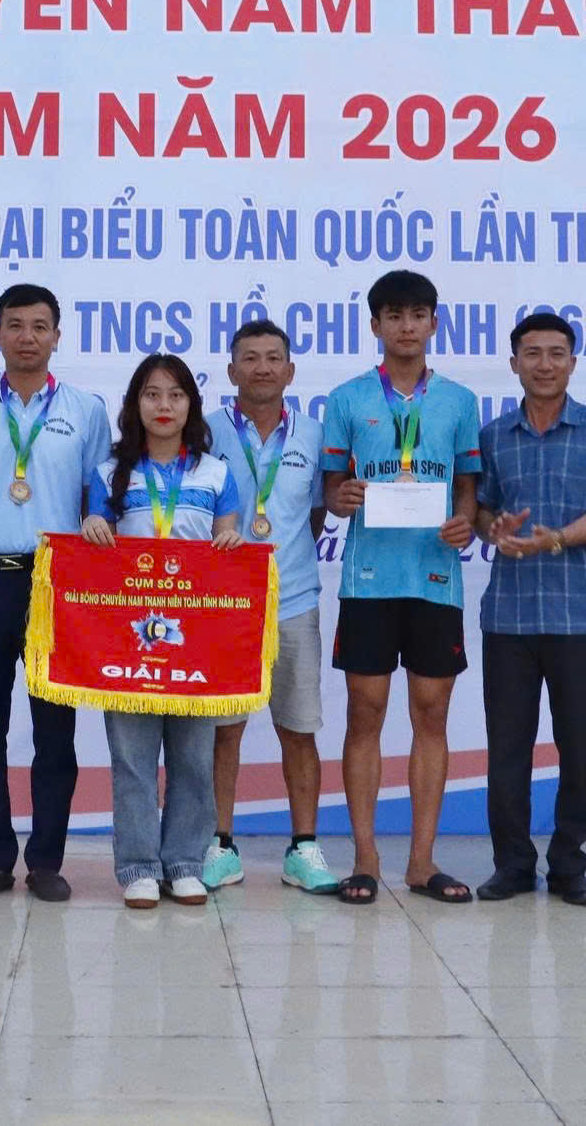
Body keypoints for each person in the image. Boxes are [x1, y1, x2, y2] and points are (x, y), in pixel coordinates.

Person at [0, 283, 110, 901]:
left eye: (39, 326)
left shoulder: (86, 410)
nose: (27, 337)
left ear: (57, 336)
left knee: (54, 732)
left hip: (56, 585)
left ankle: (47, 861)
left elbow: (97, 501)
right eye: (15, 325)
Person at [322, 268, 482, 907]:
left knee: (431, 712)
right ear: (375, 325)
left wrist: (465, 521)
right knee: (365, 712)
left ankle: (421, 861)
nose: (406, 327)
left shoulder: (460, 401)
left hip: (435, 578)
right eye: (394, 316)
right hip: (368, 581)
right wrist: (342, 497)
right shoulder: (347, 398)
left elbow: (467, 486)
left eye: (417, 315)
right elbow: (331, 489)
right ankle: (365, 859)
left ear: (434, 323)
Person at [82, 353, 243, 907]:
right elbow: (94, 542)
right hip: (128, 639)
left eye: (176, 395)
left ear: (191, 405)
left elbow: (227, 539)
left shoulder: (215, 473)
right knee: (132, 758)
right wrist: (94, 522)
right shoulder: (109, 473)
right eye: (152, 394)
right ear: (135, 405)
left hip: (195, 641)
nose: (164, 406)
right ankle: (138, 866)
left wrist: (230, 542)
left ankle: (184, 862)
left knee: (193, 758)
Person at [472, 312, 586, 907]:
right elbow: (482, 512)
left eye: (556, 353)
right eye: (532, 353)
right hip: (508, 616)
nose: (544, 364)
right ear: (513, 363)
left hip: (580, 614)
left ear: (573, 362)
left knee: (580, 746)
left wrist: (554, 538)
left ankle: (568, 864)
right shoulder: (493, 436)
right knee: (507, 748)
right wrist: (494, 527)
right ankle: (512, 863)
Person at [200, 320, 340, 895]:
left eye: (273, 357)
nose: (262, 367)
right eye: (250, 358)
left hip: (294, 600)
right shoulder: (204, 431)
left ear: (290, 370)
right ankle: (218, 844)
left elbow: (315, 514)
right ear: (231, 370)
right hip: (224, 606)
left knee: (298, 729)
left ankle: (303, 849)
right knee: (222, 730)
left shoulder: (315, 434)